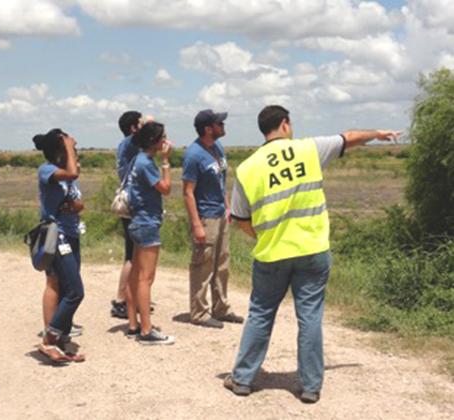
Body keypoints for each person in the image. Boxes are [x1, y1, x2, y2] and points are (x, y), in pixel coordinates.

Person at [224, 105, 400, 403]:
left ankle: (242, 379)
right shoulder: (309, 149)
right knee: (309, 317)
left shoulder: (248, 168)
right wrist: (378, 134)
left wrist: (264, 235)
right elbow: (350, 137)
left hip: (271, 254)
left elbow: (240, 218)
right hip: (312, 250)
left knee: (261, 314)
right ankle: (309, 387)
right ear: (284, 124)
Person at [183, 109, 243, 328]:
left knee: (222, 263)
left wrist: (228, 207)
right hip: (206, 217)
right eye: (220, 123)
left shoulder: (217, 148)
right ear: (208, 128)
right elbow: (188, 192)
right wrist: (197, 224)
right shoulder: (193, 155)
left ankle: (221, 308)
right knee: (203, 265)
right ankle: (199, 312)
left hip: (220, 213)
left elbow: (221, 180)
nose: (223, 125)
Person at [33, 129, 86, 363]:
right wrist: (67, 146)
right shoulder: (47, 170)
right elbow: (73, 172)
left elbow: (78, 202)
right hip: (58, 236)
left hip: (72, 234)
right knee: (76, 291)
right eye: (70, 147)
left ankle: (61, 339)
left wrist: (73, 206)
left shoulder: (64, 175)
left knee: (66, 288)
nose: (73, 150)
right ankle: (49, 338)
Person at [125, 121, 175, 345]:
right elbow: (166, 188)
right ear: (155, 141)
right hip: (147, 223)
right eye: (163, 137)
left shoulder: (138, 160)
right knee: (146, 278)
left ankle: (133, 324)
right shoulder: (147, 163)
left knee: (135, 274)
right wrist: (166, 161)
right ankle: (146, 330)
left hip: (137, 222)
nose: (166, 141)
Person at [111, 110, 143, 319]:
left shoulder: (126, 146)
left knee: (133, 254)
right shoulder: (131, 143)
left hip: (130, 203)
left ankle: (128, 297)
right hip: (133, 204)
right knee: (132, 255)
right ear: (133, 128)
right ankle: (121, 299)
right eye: (140, 124)